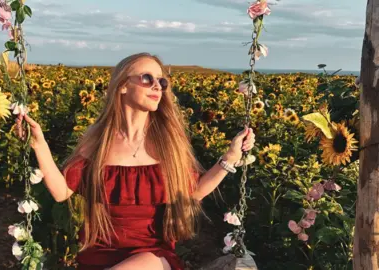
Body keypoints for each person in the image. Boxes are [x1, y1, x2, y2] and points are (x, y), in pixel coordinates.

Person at [14, 52, 256, 270]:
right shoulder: (98, 139)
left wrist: (231, 157)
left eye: (162, 81)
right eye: (147, 78)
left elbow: (194, 191)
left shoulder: (168, 141)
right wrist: (39, 145)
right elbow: (62, 191)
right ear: (121, 86)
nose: (157, 87)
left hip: (153, 256)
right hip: (100, 254)